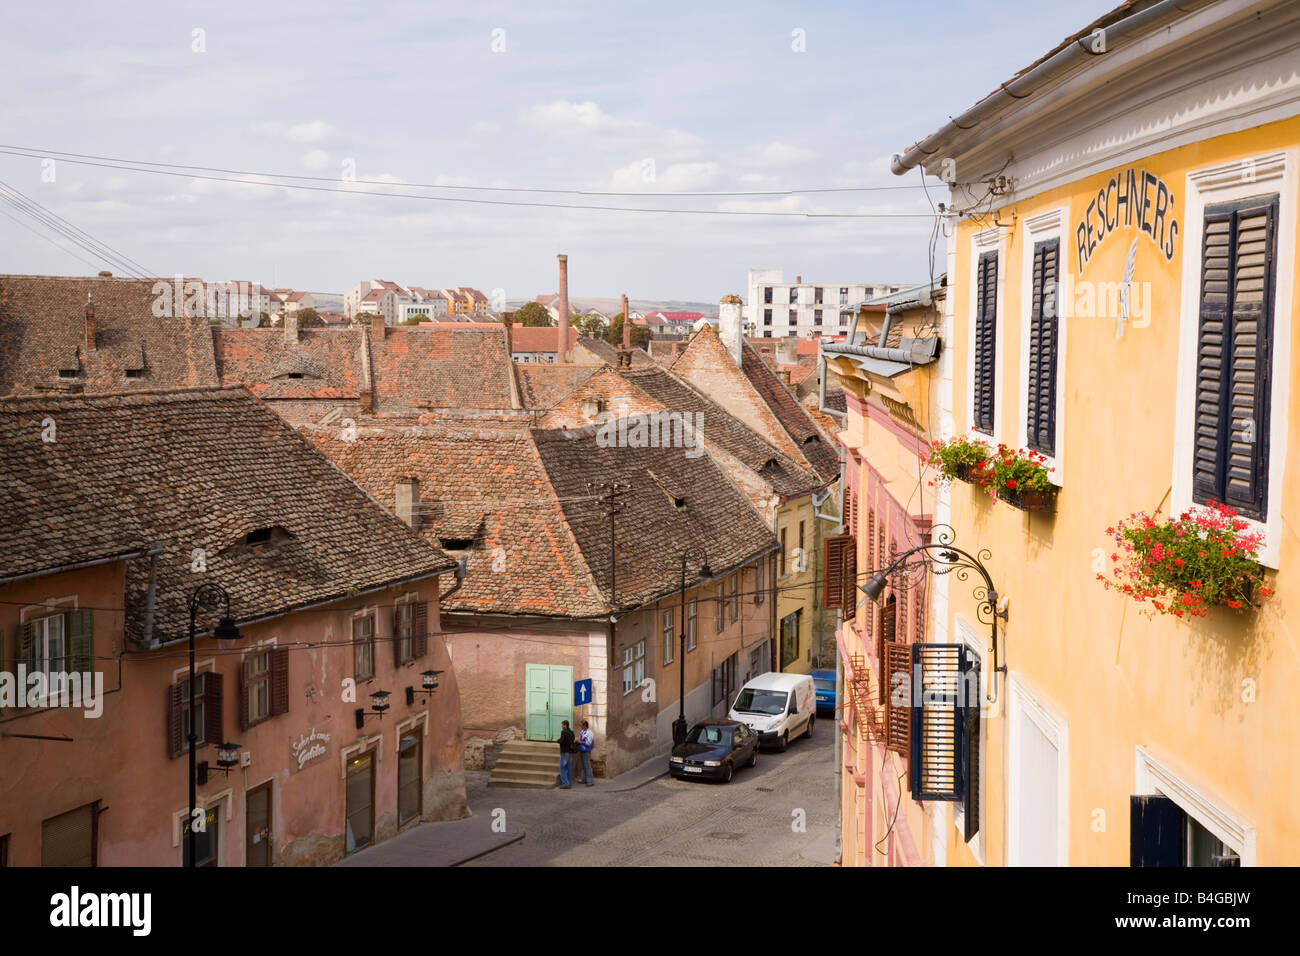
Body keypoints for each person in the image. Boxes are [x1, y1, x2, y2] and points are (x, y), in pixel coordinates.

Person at [557, 720, 575, 788]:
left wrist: (557, 740)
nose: (561, 726)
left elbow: (561, 740)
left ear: (565, 725)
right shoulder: (571, 732)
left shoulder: (563, 732)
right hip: (570, 752)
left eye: (562, 725)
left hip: (564, 752)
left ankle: (565, 784)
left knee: (562, 768)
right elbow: (572, 740)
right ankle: (569, 782)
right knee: (569, 767)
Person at [577, 720, 595, 786]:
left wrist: (581, 742)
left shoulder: (589, 732)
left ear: (584, 725)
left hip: (586, 750)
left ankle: (590, 782)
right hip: (582, 750)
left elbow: (589, 742)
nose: (580, 726)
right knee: (583, 766)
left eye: (581, 725)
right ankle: (584, 779)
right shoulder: (582, 731)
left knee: (587, 766)